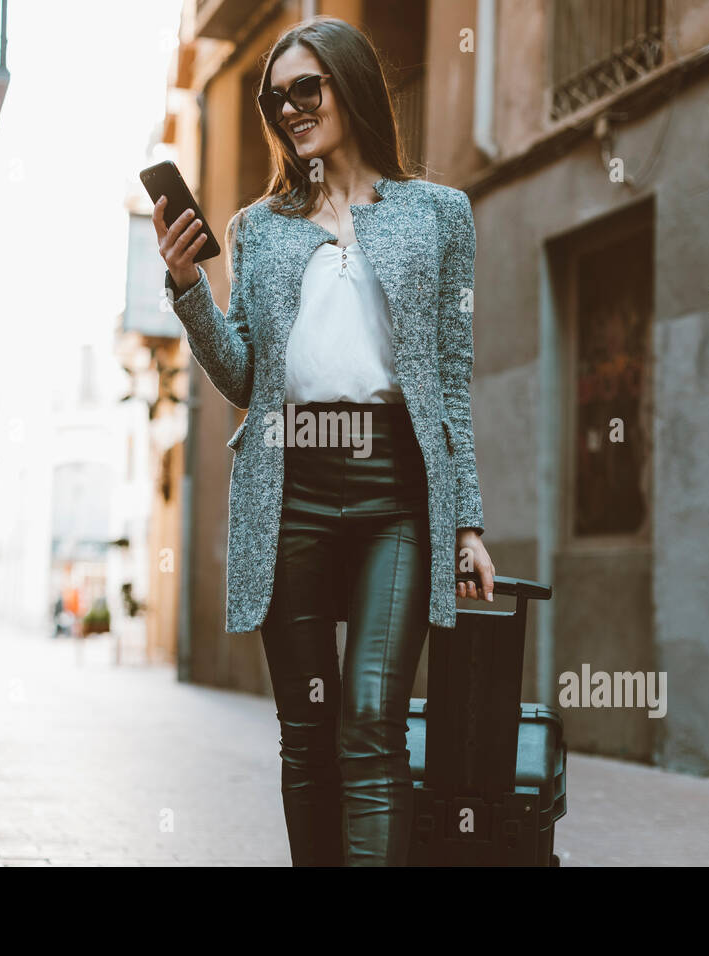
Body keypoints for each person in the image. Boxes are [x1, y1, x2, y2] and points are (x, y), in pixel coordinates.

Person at [154, 15, 496, 866]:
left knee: (372, 716)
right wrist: (190, 287)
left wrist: (467, 523)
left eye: (307, 89)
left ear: (350, 83)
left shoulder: (440, 215)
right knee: (305, 733)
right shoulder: (259, 229)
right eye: (278, 101)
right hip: (291, 492)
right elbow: (245, 378)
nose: (292, 110)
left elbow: (450, 379)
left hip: (396, 492)